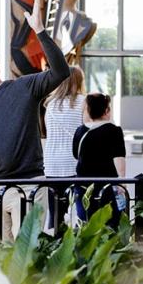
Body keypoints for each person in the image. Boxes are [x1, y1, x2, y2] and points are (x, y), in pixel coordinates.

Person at [0, 0, 69, 240]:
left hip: (29, 186)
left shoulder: (23, 87)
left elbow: (61, 72)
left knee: (28, 259)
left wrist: (39, 30)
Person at [72, 92, 127, 227]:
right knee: (110, 226)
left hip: (83, 188)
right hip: (106, 187)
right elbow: (119, 158)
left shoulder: (80, 131)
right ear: (106, 110)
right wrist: (121, 182)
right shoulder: (114, 130)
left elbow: (75, 154)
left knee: (87, 225)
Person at [43, 66, 86, 227]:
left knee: (56, 212)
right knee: (82, 208)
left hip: (52, 164)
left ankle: (55, 245)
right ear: (79, 81)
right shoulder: (83, 102)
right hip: (74, 163)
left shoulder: (51, 104)